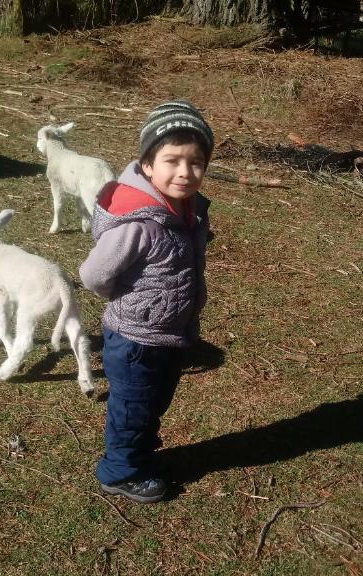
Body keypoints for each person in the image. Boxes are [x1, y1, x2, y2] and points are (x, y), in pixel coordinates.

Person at [79, 101, 214, 503]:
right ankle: (119, 472)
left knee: (156, 397)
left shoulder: (187, 210)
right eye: (172, 160)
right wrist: (127, 301)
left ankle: (138, 440)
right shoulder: (139, 224)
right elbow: (93, 275)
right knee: (132, 406)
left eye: (196, 162)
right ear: (148, 165)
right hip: (136, 338)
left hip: (172, 332)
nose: (185, 172)